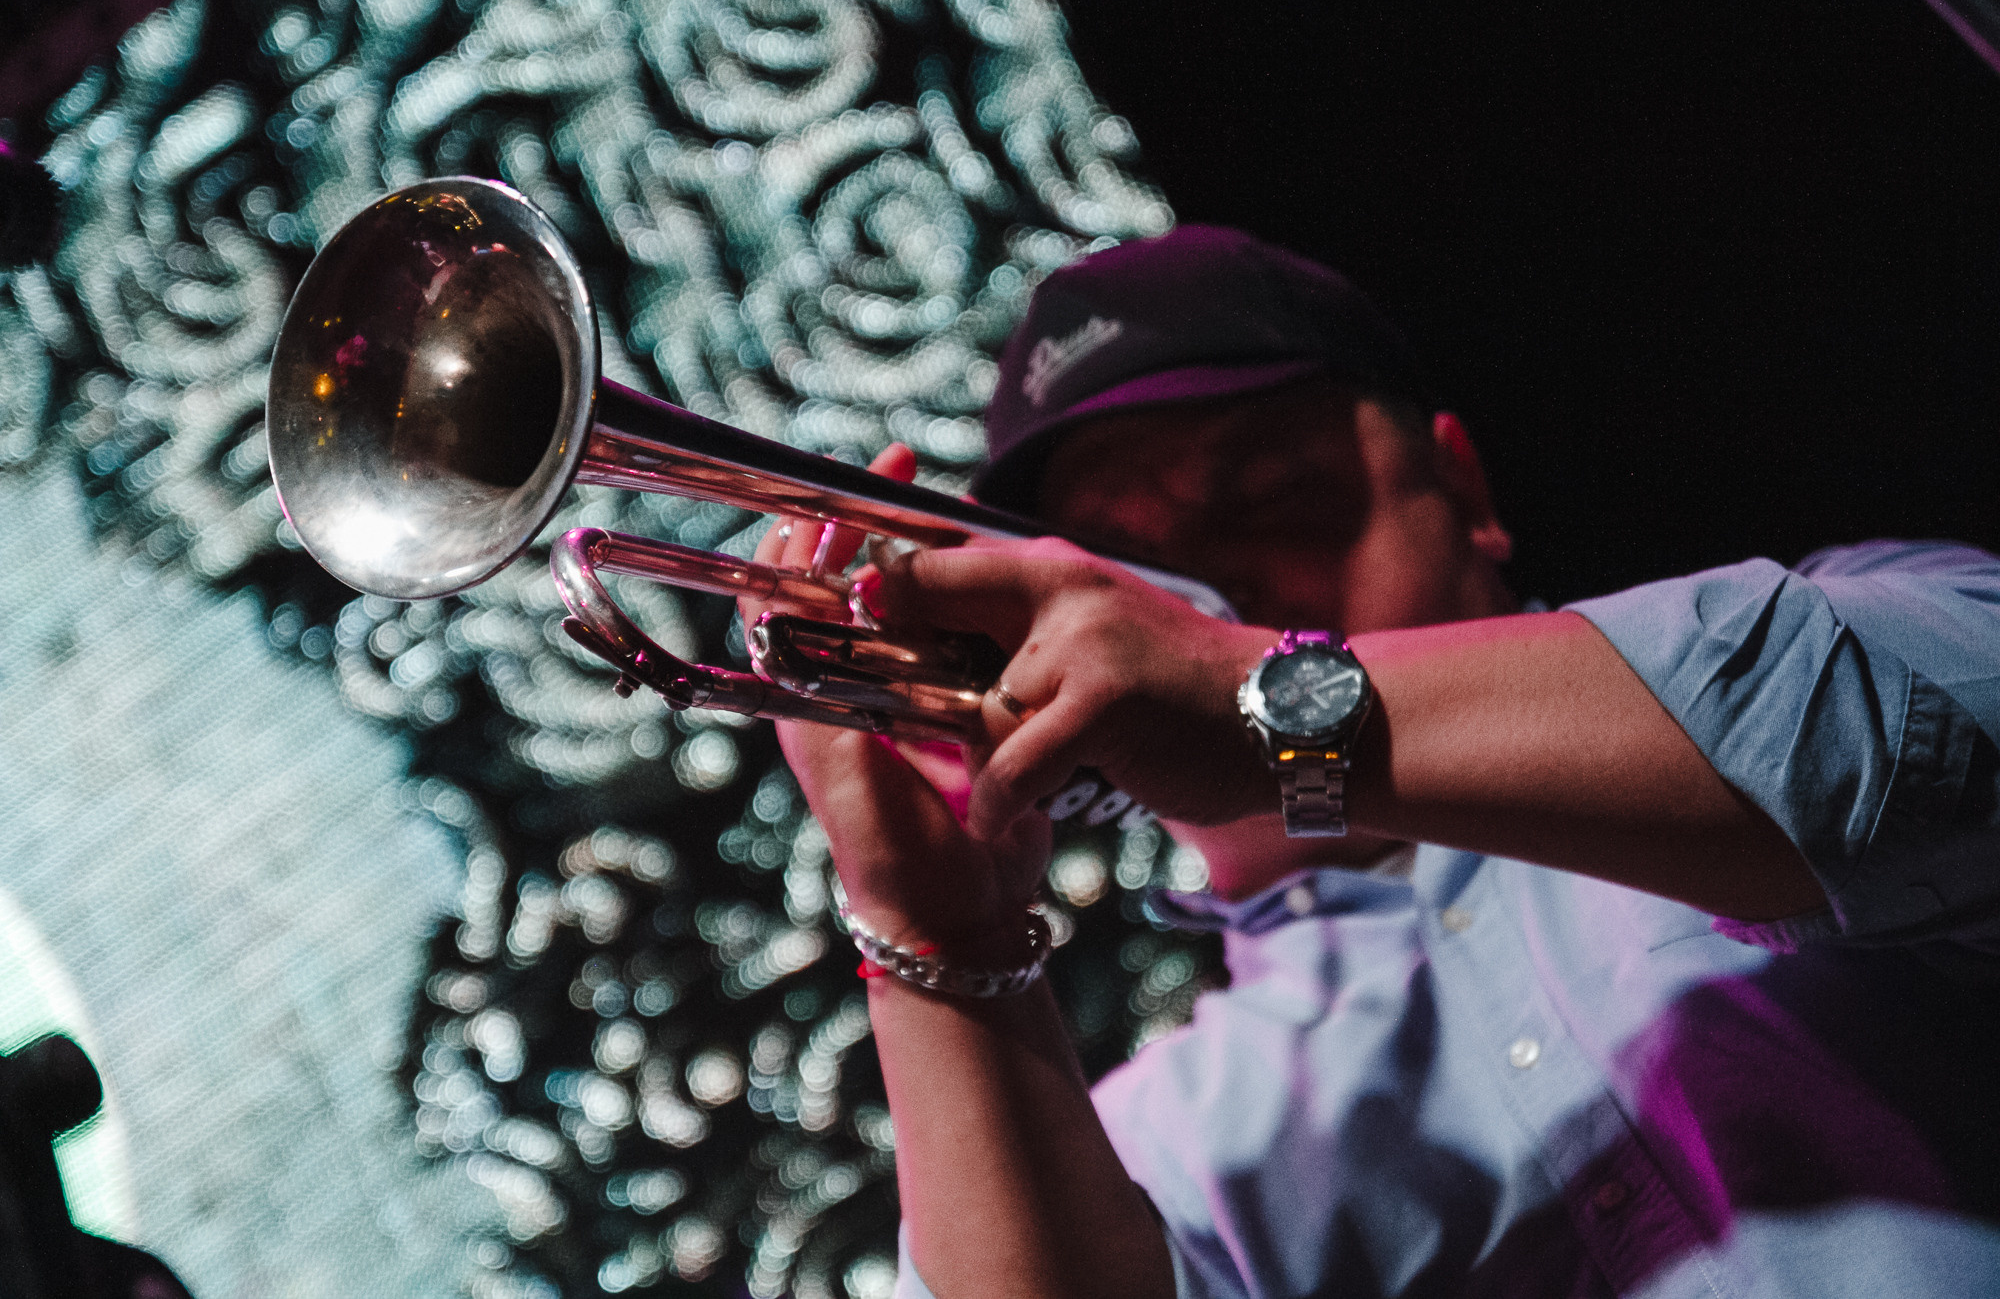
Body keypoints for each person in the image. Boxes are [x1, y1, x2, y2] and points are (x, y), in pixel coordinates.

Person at [746, 226, 2000, 1298]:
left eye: (1279, 496)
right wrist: (938, 934)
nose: (1214, 591)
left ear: (1460, 483)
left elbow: (1903, 738)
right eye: (1118, 572)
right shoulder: (1154, 1140)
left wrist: (1274, 710)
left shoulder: (1862, 616)